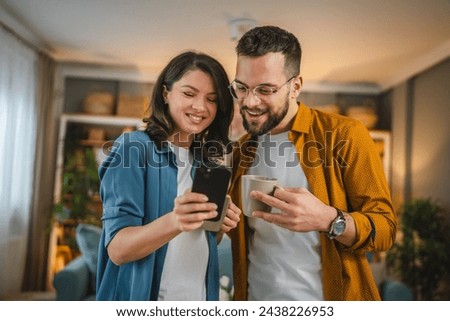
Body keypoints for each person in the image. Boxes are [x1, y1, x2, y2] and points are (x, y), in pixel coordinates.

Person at [227, 26, 397, 300]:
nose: (250, 101)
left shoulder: (344, 135)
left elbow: (386, 229)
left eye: (265, 89)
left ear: (295, 86)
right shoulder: (242, 151)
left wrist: (329, 219)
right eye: (242, 87)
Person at [96, 51, 241, 300]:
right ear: (166, 94)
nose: (200, 107)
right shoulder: (133, 148)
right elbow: (118, 249)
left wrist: (218, 227)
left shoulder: (207, 163)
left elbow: (194, 244)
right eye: (189, 93)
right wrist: (176, 221)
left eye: (212, 99)